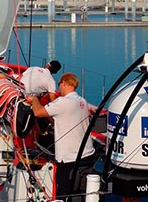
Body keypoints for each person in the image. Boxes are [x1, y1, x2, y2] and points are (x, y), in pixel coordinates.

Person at [26, 72, 96, 201]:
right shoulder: (82, 101)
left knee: (63, 192)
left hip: (69, 158)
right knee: (82, 189)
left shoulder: (62, 102)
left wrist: (35, 100)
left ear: (64, 83)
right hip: (87, 154)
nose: (59, 87)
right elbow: (59, 119)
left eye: (59, 84)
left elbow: (37, 112)